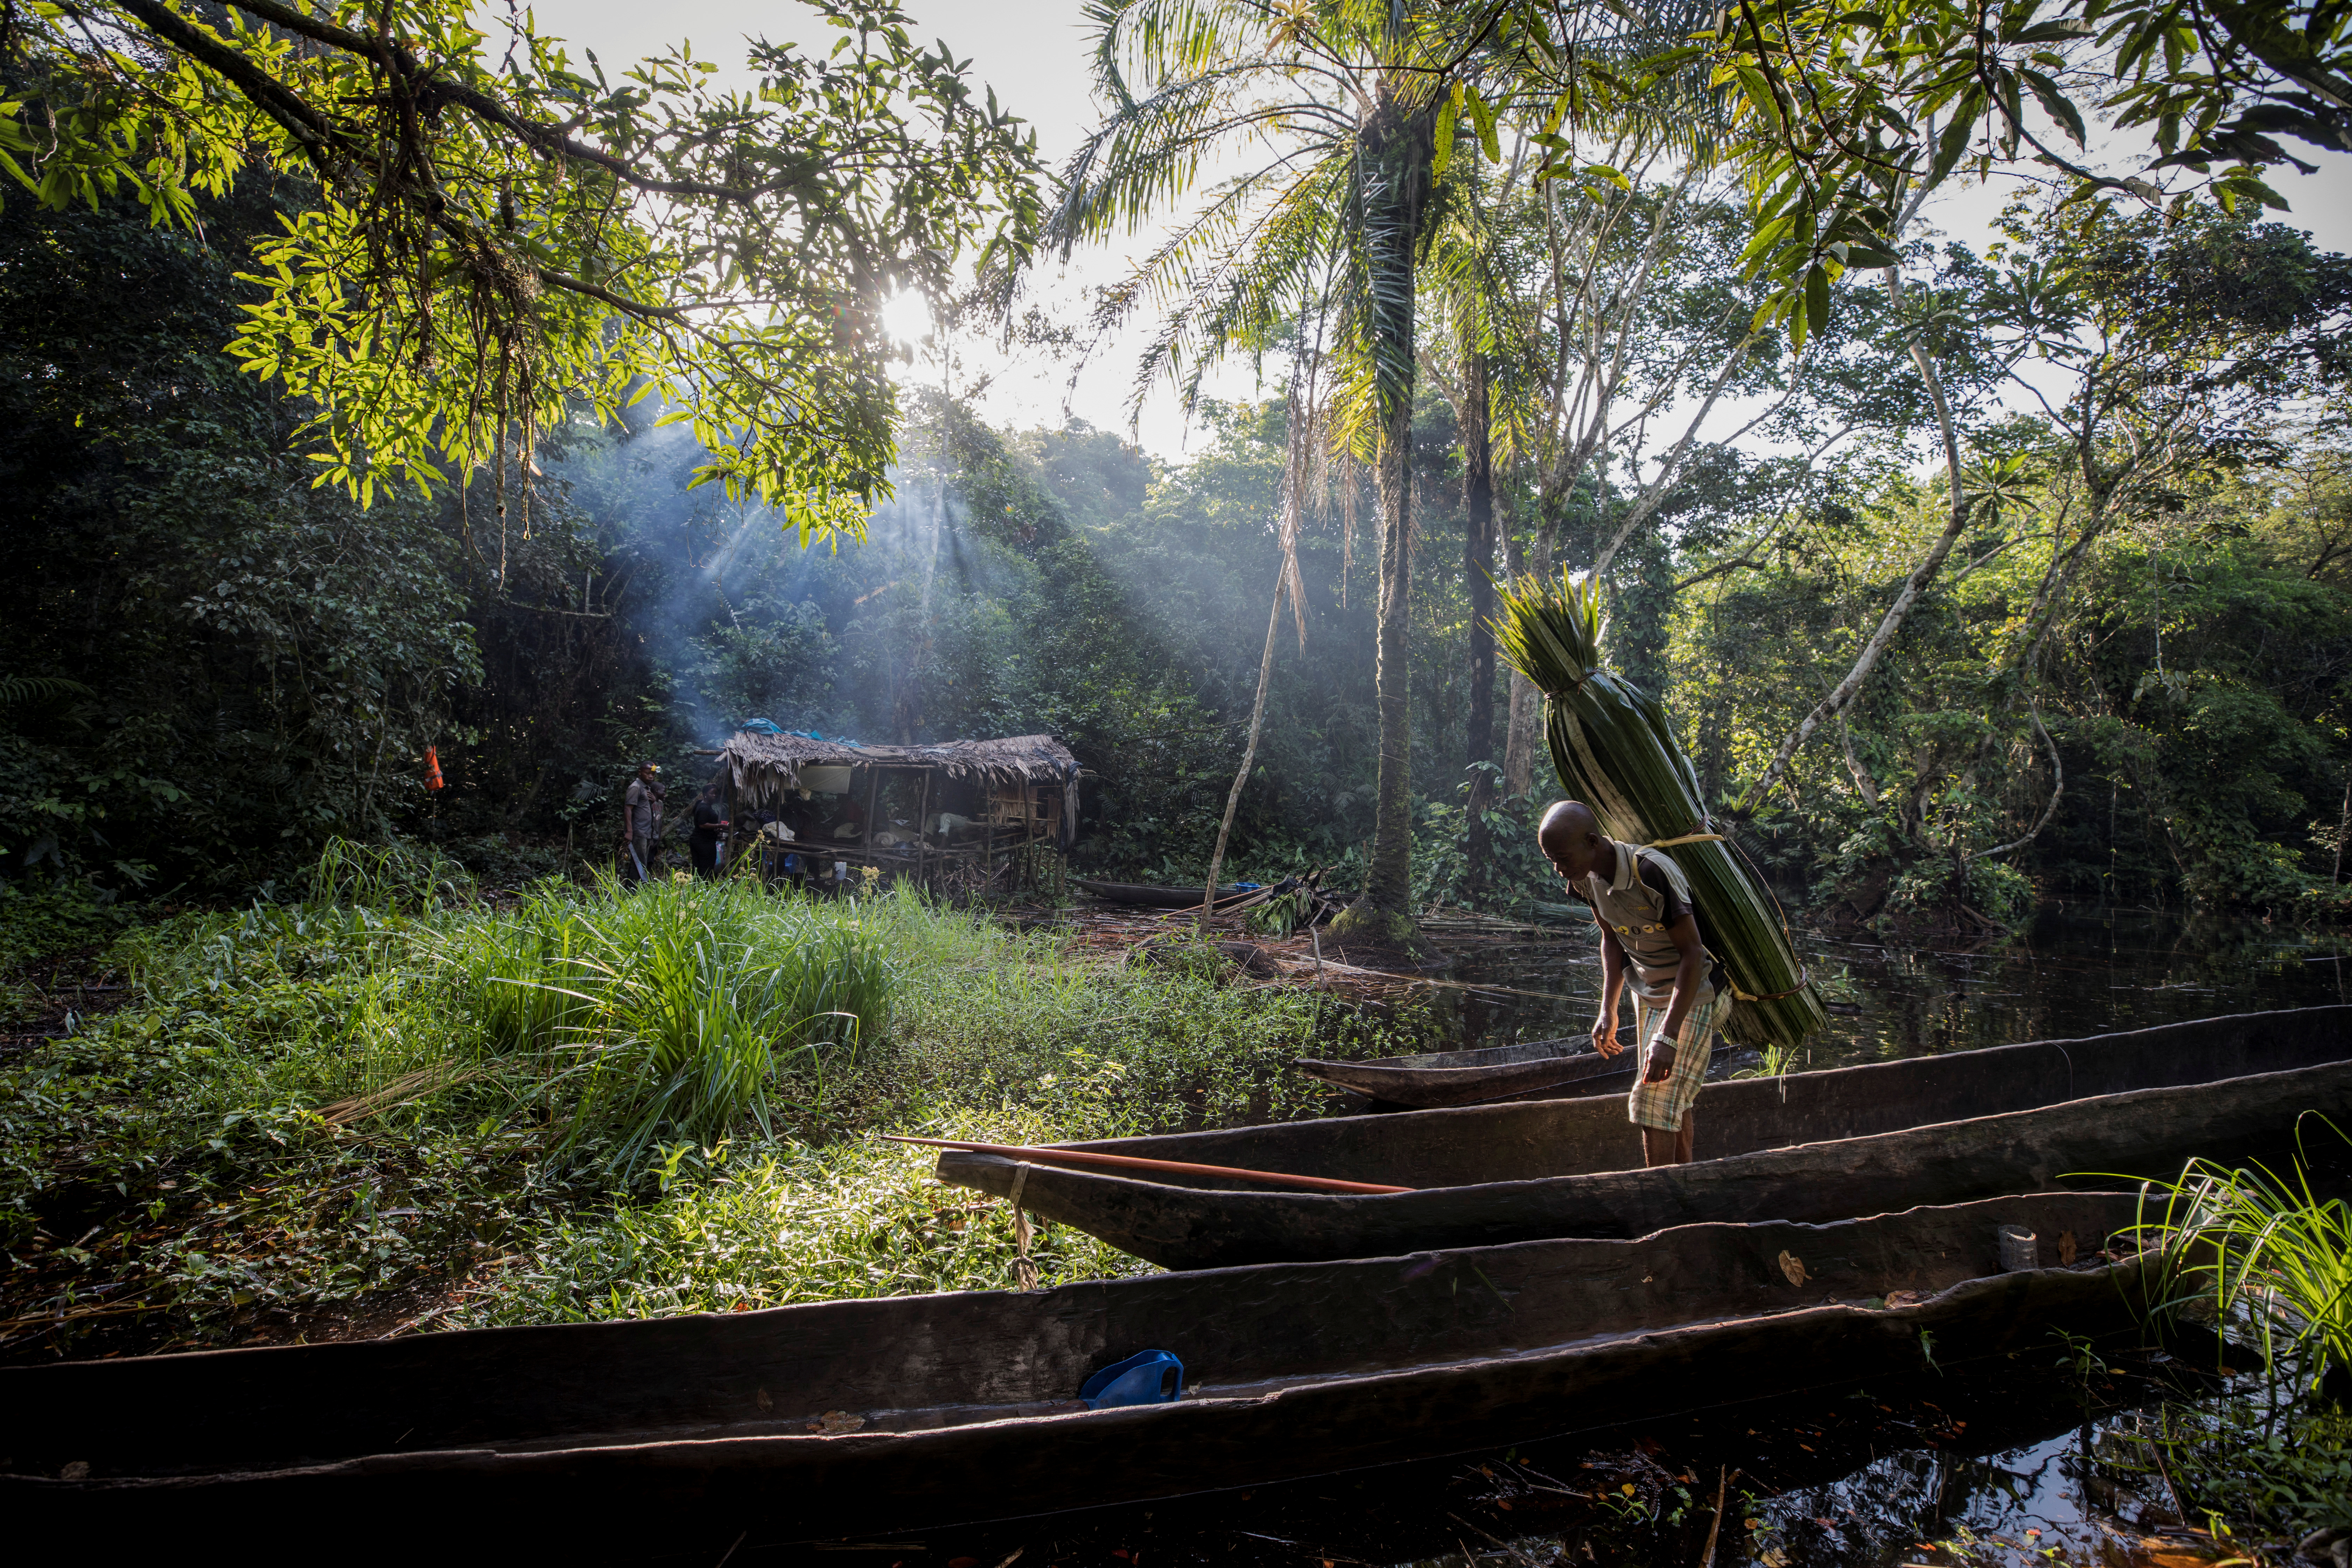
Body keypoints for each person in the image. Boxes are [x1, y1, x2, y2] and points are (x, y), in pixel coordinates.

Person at [1536, 799, 1725, 1167]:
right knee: (1673, 1098)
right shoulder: (1586, 880)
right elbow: (1611, 939)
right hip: (1647, 988)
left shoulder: (1652, 872)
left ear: (1592, 841)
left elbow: (1692, 953)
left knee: (1650, 1099)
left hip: (1693, 988)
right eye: (1552, 861)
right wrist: (1607, 1009)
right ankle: (1685, 1187)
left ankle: (1659, 1201)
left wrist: (1668, 1036)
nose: (1559, 870)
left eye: (1562, 858)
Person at [620, 761, 664, 884]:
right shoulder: (636, 787)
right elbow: (628, 809)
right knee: (639, 864)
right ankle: (633, 893)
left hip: (646, 832)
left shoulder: (647, 788)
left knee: (639, 863)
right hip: (638, 832)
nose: (651, 777)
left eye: (653, 774)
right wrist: (629, 831)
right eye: (648, 774)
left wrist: (654, 801)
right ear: (640, 773)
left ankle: (632, 892)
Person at [688, 781, 729, 879]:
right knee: (704, 868)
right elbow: (702, 825)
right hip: (703, 843)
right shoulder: (703, 808)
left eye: (716, 793)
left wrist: (716, 830)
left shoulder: (703, 805)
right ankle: (701, 888)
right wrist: (719, 826)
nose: (715, 795)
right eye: (712, 793)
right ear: (705, 794)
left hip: (701, 841)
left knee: (699, 868)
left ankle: (697, 888)